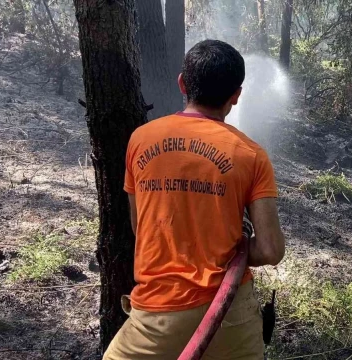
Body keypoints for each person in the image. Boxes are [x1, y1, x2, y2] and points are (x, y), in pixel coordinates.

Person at [103, 40, 286, 360]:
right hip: (229, 317)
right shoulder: (252, 155)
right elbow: (271, 249)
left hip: (155, 318)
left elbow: (140, 227)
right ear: (236, 96)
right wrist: (231, 251)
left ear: (182, 84)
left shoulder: (140, 140)